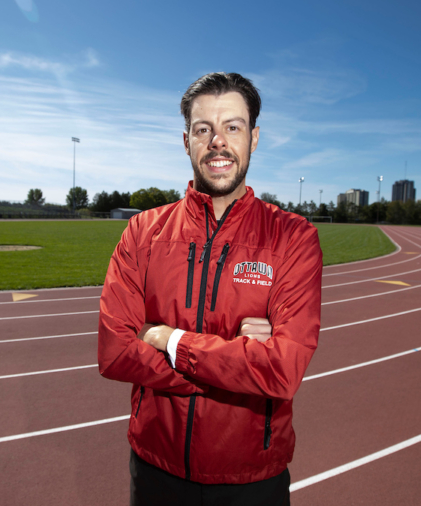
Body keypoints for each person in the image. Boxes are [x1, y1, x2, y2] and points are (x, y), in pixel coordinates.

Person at [98, 72, 323, 505]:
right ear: (187, 141)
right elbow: (114, 351)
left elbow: (282, 370)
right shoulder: (142, 232)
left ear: (253, 138)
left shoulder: (293, 238)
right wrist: (236, 364)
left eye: (232, 127)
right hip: (155, 470)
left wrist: (166, 338)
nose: (217, 141)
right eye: (204, 129)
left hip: (252, 480)